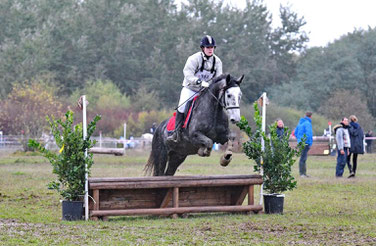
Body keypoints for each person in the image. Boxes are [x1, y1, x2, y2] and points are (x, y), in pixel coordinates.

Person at [167, 35, 223, 142]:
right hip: (191, 89)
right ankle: (176, 132)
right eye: (208, 47)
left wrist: (213, 86)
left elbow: (218, 78)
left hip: (205, 91)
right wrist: (198, 81)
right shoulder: (193, 59)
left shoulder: (217, 62)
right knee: (182, 106)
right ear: (203, 48)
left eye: (212, 47)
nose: (210, 49)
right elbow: (187, 74)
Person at [294, 112, 313, 177]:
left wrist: (299, 139)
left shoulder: (299, 123)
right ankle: (302, 173)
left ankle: (303, 173)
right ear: (310, 117)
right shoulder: (308, 123)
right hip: (306, 143)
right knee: (303, 158)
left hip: (300, 142)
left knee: (302, 157)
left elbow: (295, 133)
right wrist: (309, 143)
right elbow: (309, 134)